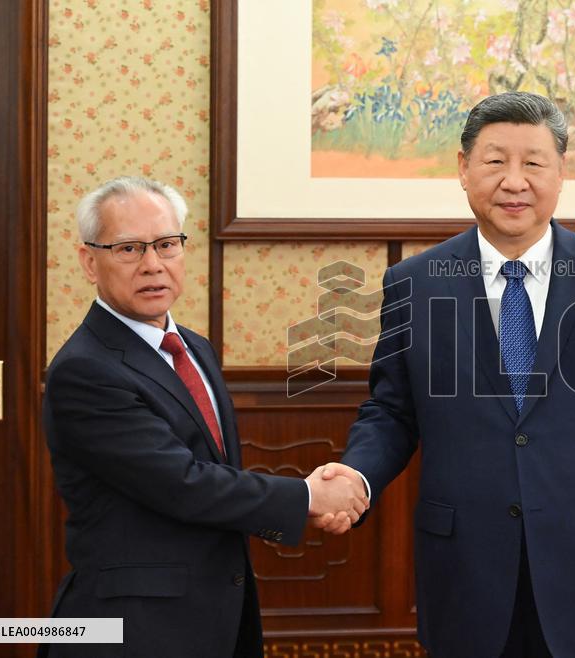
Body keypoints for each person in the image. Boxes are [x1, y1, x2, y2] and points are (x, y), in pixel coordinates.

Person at [336, 92, 575, 657]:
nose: (514, 181)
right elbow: (392, 411)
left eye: (533, 163)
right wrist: (357, 476)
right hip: (467, 566)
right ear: (462, 168)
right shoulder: (414, 282)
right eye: (495, 160)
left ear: (561, 174)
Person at [39, 177, 368, 658]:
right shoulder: (84, 370)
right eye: (129, 248)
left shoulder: (194, 347)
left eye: (167, 244)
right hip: (135, 628)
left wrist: (308, 500)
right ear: (90, 261)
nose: (153, 264)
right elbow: (183, 483)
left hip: (216, 608)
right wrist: (307, 497)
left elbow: (218, 475)